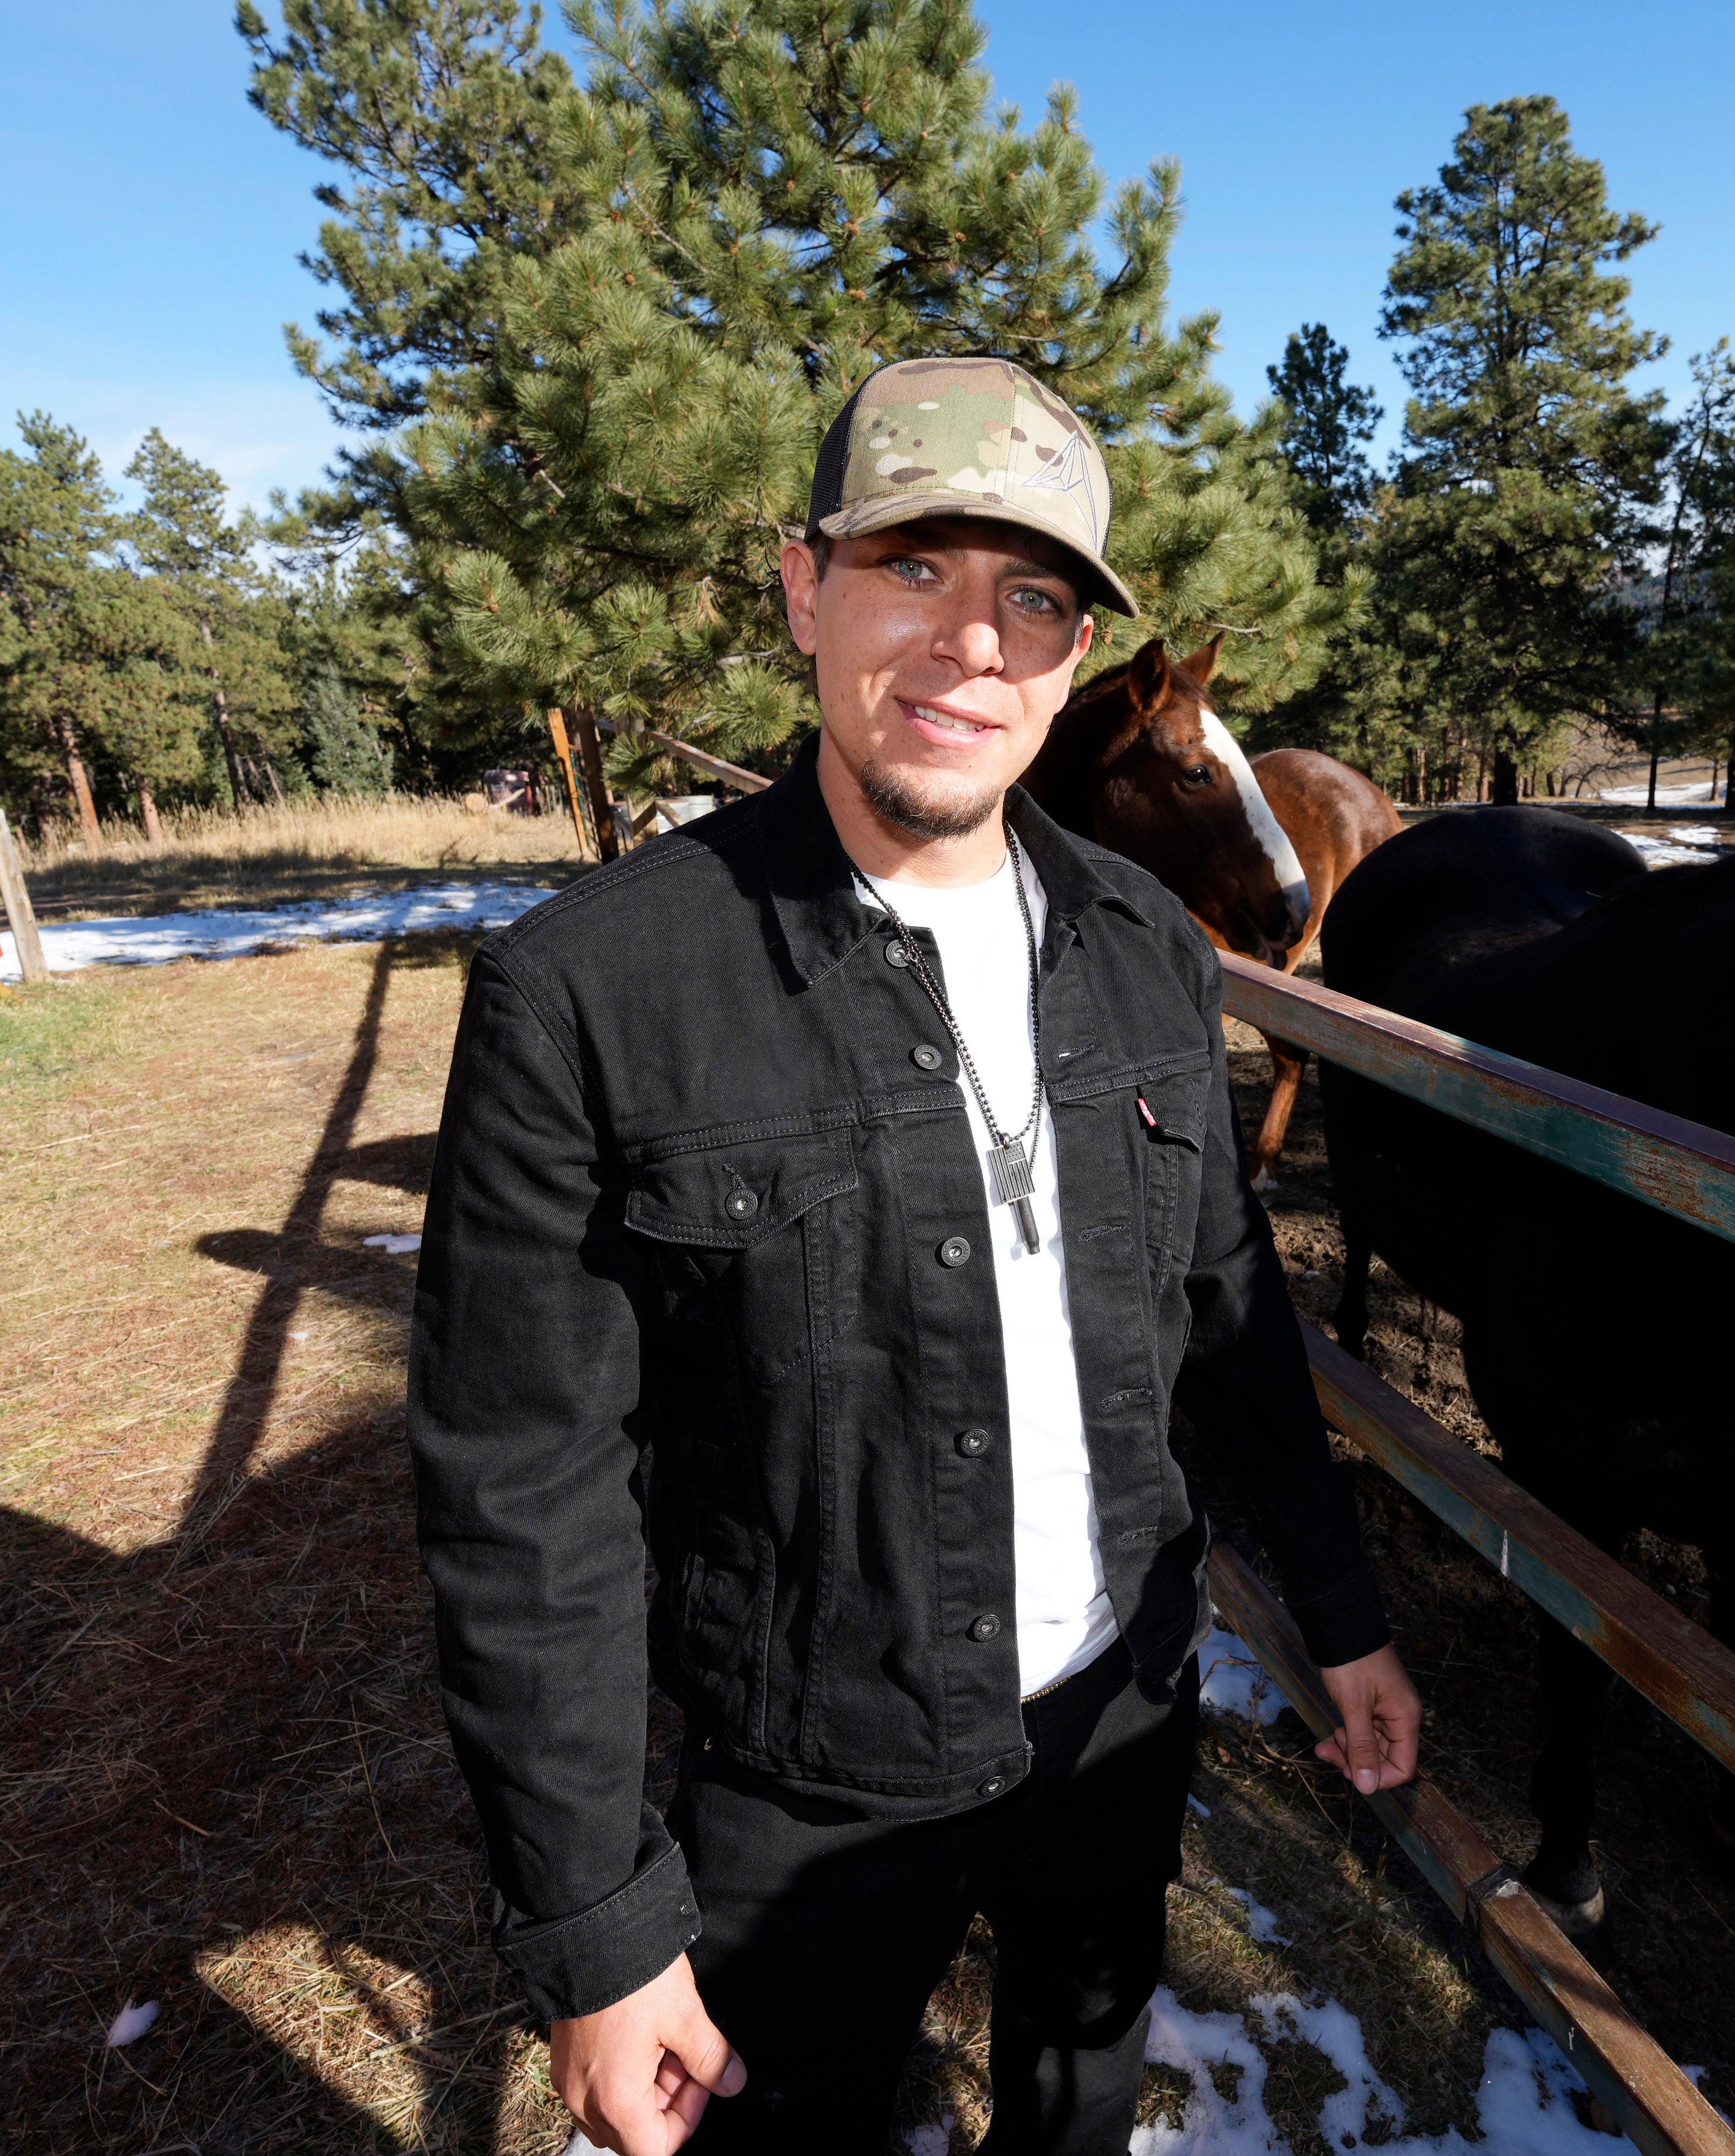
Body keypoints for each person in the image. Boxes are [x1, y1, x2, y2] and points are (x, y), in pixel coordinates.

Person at [408, 356, 1423, 2156]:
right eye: (914, 572)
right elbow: (522, 1493)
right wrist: (597, 1931)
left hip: (1119, 1714)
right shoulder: (597, 990)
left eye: (1032, 599)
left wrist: (1338, 1619)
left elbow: (1229, 1318)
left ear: (1072, 662)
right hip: (814, 1769)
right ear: (804, 590)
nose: (973, 646)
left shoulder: (1141, 950)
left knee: (1071, 2110)